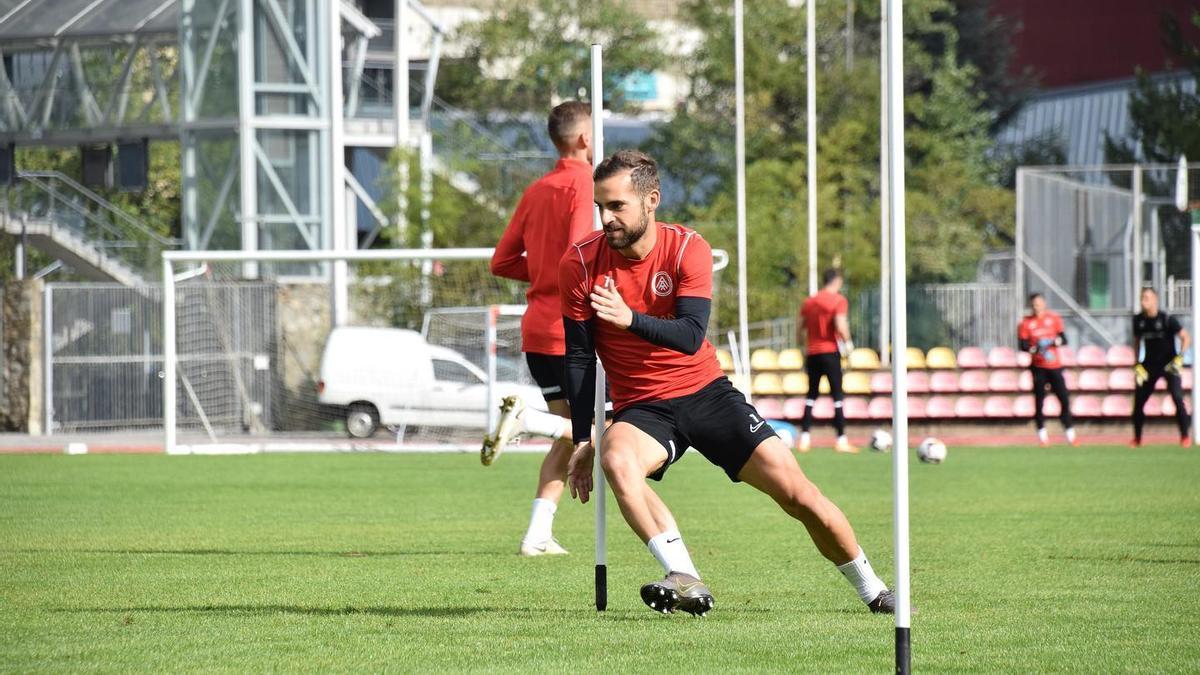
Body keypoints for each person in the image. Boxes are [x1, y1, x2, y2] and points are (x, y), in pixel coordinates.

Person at [561, 149, 894, 617]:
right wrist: (582, 438)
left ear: (651, 199)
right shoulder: (578, 263)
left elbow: (690, 335)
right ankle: (684, 576)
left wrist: (628, 318)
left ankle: (874, 589)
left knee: (800, 497)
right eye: (600, 206)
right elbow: (577, 357)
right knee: (616, 460)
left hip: (708, 394)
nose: (605, 217)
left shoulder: (686, 248)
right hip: (643, 408)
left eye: (617, 206)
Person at [483, 100, 596, 557]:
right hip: (575, 328)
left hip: (538, 331)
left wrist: (545, 275)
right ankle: (527, 420)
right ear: (587, 138)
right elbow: (579, 255)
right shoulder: (587, 183)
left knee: (568, 431)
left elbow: (502, 261)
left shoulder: (537, 189)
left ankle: (537, 535)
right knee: (615, 428)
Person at [797, 268, 857, 453]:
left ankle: (804, 439)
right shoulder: (838, 300)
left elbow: (799, 327)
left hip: (812, 353)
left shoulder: (810, 301)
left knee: (811, 396)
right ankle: (841, 439)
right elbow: (840, 323)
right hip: (830, 352)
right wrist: (848, 343)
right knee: (837, 397)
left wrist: (802, 346)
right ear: (837, 281)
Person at [1131, 287, 1192, 447]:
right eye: (1142, 297)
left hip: (1169, 365)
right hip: (1149, 366)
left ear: (1155, 300)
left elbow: (1186, 337)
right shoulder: (1138, 320)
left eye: (1147, 298)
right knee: (1138, 402)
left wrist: (1180, 357)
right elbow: (1137, 342)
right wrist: (1137, 364)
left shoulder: (1167, 319)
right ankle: (1137, 439)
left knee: (1177, 399)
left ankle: (1185, 436)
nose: (1144, 301)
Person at [1017, 293, 1078, 447]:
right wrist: (1036, 349)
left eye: (1039, 303)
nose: (1037, 306)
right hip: (1038, 368)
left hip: (1055, 367)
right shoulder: (1026, 323)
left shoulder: (1054, 319)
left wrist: (1054, 341)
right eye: (1034, 304)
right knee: (1039, 401)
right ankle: (1042, 435)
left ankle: (1070, 433)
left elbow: (1063, 339)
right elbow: (1023, 345)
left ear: (1044, 304)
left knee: (1063, 399)